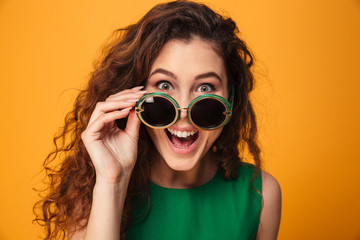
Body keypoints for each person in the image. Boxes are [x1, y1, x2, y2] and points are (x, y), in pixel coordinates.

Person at [34, 1, 281, 239]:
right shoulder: (92, 187)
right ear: (135, 92)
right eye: (164, 85)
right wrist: (112, 182)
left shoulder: (260, 195)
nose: (183, 113)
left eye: (205, 88)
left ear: (231, 97)